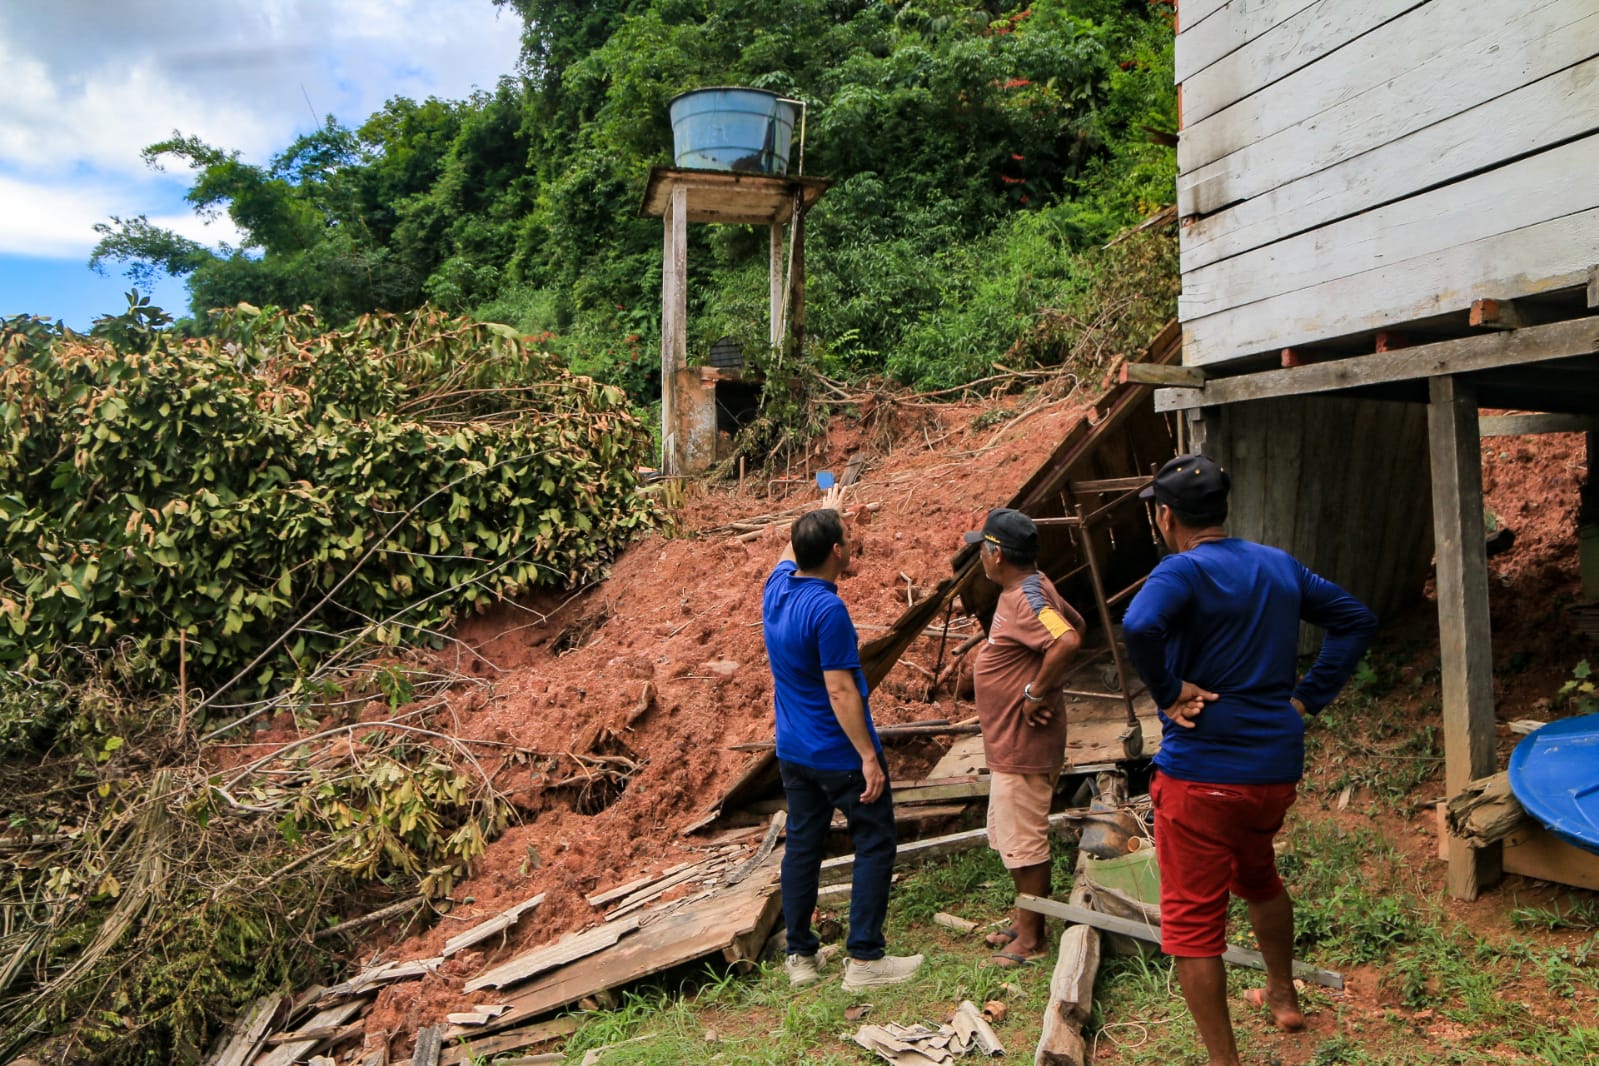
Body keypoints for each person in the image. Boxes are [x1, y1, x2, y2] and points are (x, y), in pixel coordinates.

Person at [1123, 454, 1377, 1066]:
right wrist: (1306, 698)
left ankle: (1225, 1061)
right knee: (1258, 876)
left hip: (1201, 777)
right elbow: (1355, 619)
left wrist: (1169, 690)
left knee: (1192, 925)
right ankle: (1283, 996)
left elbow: (1139, 625)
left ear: (1165, 517)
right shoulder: (1276, 563)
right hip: (1271, 773)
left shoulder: (1181, 570)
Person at [762, 484, 924, 992]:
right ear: (836, 551)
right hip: (838, 754)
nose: (851, 545)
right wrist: (868, 757)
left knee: (802, 847)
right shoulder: (827, 611)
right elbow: (839, 691)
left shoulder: (777, 589)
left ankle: (801, 957)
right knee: (874, 841)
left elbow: (788, 551)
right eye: (847, 539)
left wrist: (824, 511)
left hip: (793, 751)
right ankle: (865, 961)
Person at [962, 508, 1084, 969]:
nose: (980, 557)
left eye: (982, 549)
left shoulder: (1027, 597)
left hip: (1023, 743)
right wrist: (1042, 684)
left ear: (996, 554)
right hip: (1012, 742)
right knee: (1013, 837)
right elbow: (1074, 627)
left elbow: (1068, 639)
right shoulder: (1028, 589)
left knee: (1024, 841)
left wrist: (1036, 691)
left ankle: (1032, 939)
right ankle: (1025, 919)